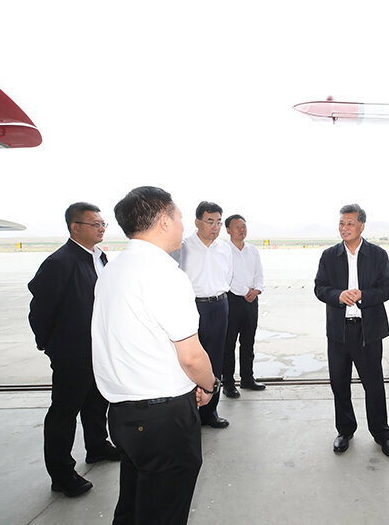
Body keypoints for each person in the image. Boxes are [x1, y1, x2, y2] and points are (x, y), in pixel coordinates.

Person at [92, 186, 219, 525]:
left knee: (133, 506)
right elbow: (191, 356)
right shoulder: (165, 274)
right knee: (163, 512)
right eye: (179, 217)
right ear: (164, 221)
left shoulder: (112, 269)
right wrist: (210, 385)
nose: (182, 225)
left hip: (123, 414)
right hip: (162, 419)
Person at [28, 202, 118, 498]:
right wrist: (49, 344)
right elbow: (40, 310)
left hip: (98, 348)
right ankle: (62, 473)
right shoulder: (60, 262)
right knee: (64, 413)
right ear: (75, 227)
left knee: (96, 401)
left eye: (103, 224)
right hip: (71, 352)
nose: (101, 229)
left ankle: (97, 446)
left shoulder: (99, 257)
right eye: (95, 224)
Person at [314, 204, 389, 458]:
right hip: (338, 332)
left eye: (350, 223)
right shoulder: (329, 256)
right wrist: (338, 295)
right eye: (341, 223)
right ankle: (345, 430)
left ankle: (382, 434)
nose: (344, 228)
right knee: (339, 384)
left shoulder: (377, 255)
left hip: (368, 331)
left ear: (362, 225)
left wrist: (364, 295)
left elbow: (388, 287)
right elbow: (319, 288)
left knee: (374, 385)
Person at [175, 201, 233, 426]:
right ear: (197, 222)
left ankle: (210, 412)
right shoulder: (183, 247)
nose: (215, 227)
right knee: (190, 358)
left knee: (215, 359)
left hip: (219, 305)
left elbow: (227, 277)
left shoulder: (224, 248)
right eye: (210, 221)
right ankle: (190, 414)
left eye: (218, 222)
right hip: (192, 306)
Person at [224, 214, 266, 393]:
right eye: (237, 227)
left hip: (251, 301)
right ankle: (228, 383)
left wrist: (256, 290)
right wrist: (245, 291)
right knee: (229, 343)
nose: (242, 230)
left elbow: (259, 273)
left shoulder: (252, 250)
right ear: (228, 230)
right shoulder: (224, 250)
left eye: (244, 227)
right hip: (232, 300)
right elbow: (226, 277)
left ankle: (247, 378)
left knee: (248, 341)